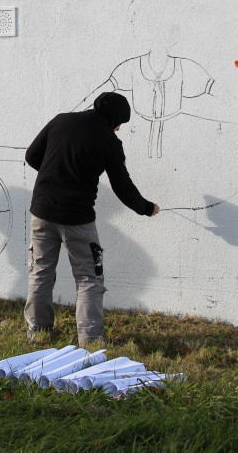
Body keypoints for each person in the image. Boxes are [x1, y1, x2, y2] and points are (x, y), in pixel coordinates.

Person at [24, 91, 160, 346]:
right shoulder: (108, 140)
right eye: (120, 123)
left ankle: (37, 331)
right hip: (78, 220)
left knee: (40, 271)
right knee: (90, 277)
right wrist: (147, 208)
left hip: (41, 212)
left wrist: (56, 173)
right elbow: (123, 187)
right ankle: (90, 340)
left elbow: (32, 156)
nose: (119, 129)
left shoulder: (60, 120)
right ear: (114, 118)